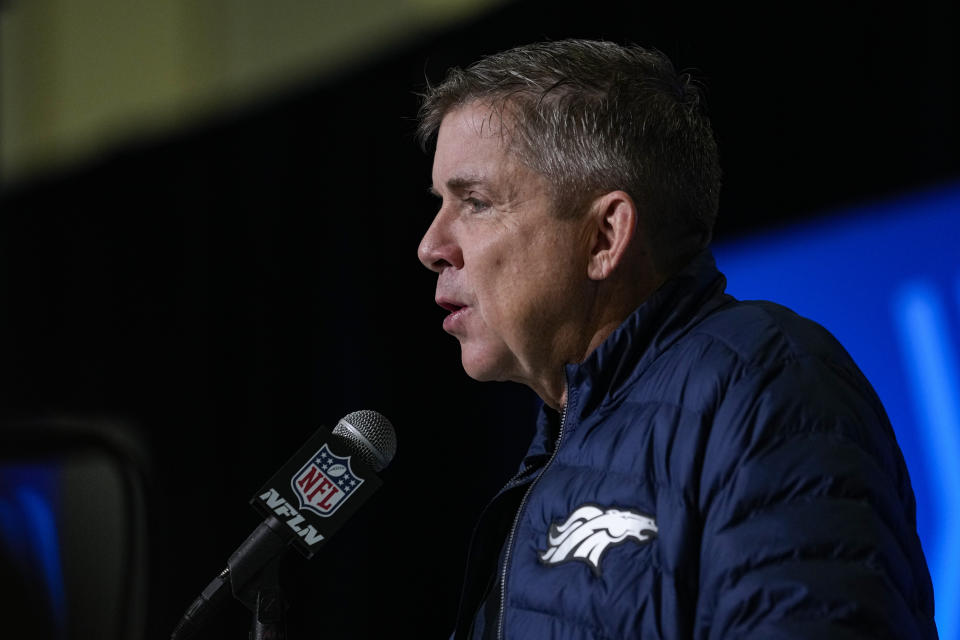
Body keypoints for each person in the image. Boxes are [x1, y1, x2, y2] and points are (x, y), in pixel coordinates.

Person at [416, 39, 937, 639]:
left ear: (604, 237)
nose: (431, 247)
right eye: (440, 205)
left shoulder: (766, 381)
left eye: (475, 202)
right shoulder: (558, 452)